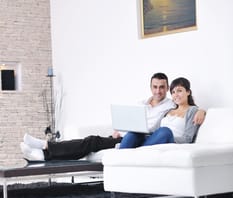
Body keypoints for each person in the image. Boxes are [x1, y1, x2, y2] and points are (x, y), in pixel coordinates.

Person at [20, 73, 205, 161]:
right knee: (91, 140)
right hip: (130, 135)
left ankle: (45, 151)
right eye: (155, 87)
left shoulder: (169, 105)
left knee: (157, 131)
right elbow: (134, 121)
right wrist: (120, 129)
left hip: (148, 138)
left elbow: (181, 122)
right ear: (150, 88)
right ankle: (45, 149)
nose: (159, 91)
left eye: (163, 88)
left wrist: (201, 110)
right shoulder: (145, 102)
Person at [119, 76, 204, 149]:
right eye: (173, 92)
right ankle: (120, 159)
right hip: (153, 140)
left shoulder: (193, 110)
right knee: (134, 133)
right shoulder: (169, 110)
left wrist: (201, 111)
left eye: (179, 91)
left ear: (188, 92)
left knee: (165, 131)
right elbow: (154, 130)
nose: (176, 95)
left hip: (169, 141)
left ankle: (138, 150)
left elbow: (188, 138)